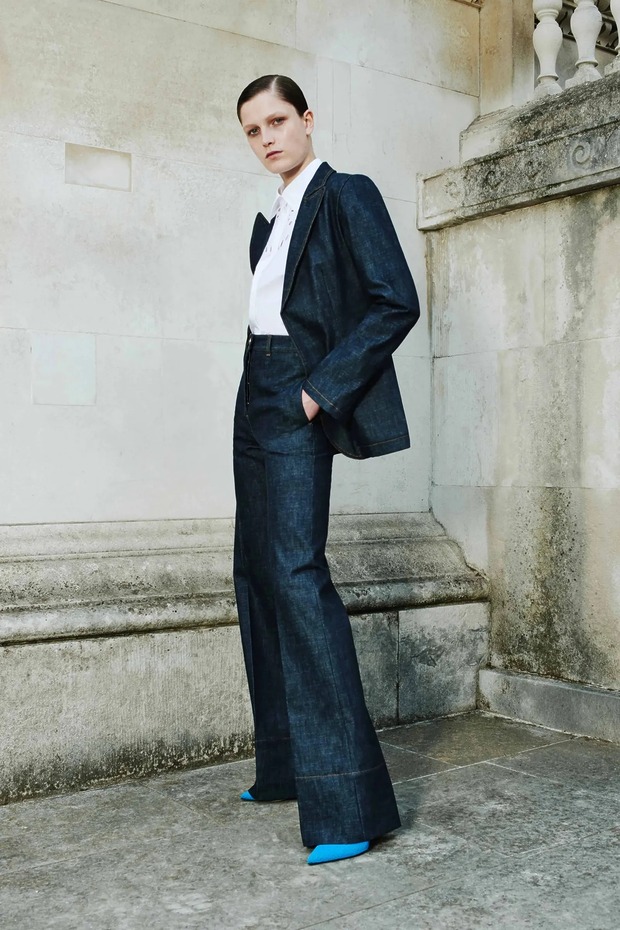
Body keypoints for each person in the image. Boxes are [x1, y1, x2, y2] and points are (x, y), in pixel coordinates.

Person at [233, 74, 419, 866]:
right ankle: (286, 766)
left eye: (278, 121)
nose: (267, 138)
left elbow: (395, 300)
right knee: (256, 571)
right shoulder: (273, 215)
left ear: (307, 120)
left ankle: (349, 806)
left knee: (298, 574)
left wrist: (319, 391)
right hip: (254, 386)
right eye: (253, 130)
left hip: (298, 389)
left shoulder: (347, 194)